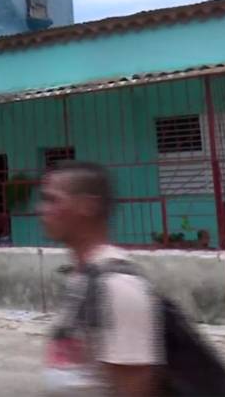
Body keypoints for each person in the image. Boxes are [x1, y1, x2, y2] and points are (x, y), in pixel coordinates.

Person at [39, 161, 162, 396]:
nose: (42, 209)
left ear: (87, 206)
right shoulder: (82, 278)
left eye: (52, 200)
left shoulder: (119, 286)